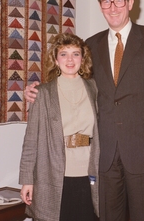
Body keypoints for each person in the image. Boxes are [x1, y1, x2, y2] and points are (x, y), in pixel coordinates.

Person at [24, 0, 144, 221]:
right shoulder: (91, 45)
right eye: (106, 2)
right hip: (103, 154)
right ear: (100, 6)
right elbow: (74, 81)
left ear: (130, 3)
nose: (113, 7)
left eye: (118, 0)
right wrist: (35, 89)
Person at [19, 33, 99, 221]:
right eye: (64, 54)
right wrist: (26, 180)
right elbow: (31, 141)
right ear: (55, 60)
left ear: (83, 58)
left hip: (90, 174)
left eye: (76, 54)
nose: (70, 59)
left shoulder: (95, 88)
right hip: (55, 176)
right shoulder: (42, 93)